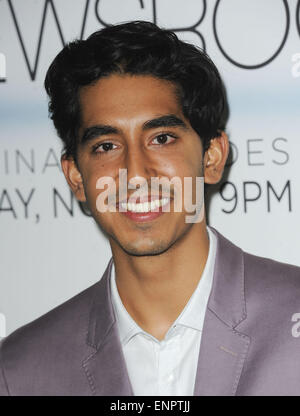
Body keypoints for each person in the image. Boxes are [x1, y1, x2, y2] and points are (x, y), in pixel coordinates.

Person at [0, 21, 300, 397]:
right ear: (76, 176)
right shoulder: (20, 372)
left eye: (161, 138)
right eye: (106, 146)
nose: (136, 174)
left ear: (212, 157)